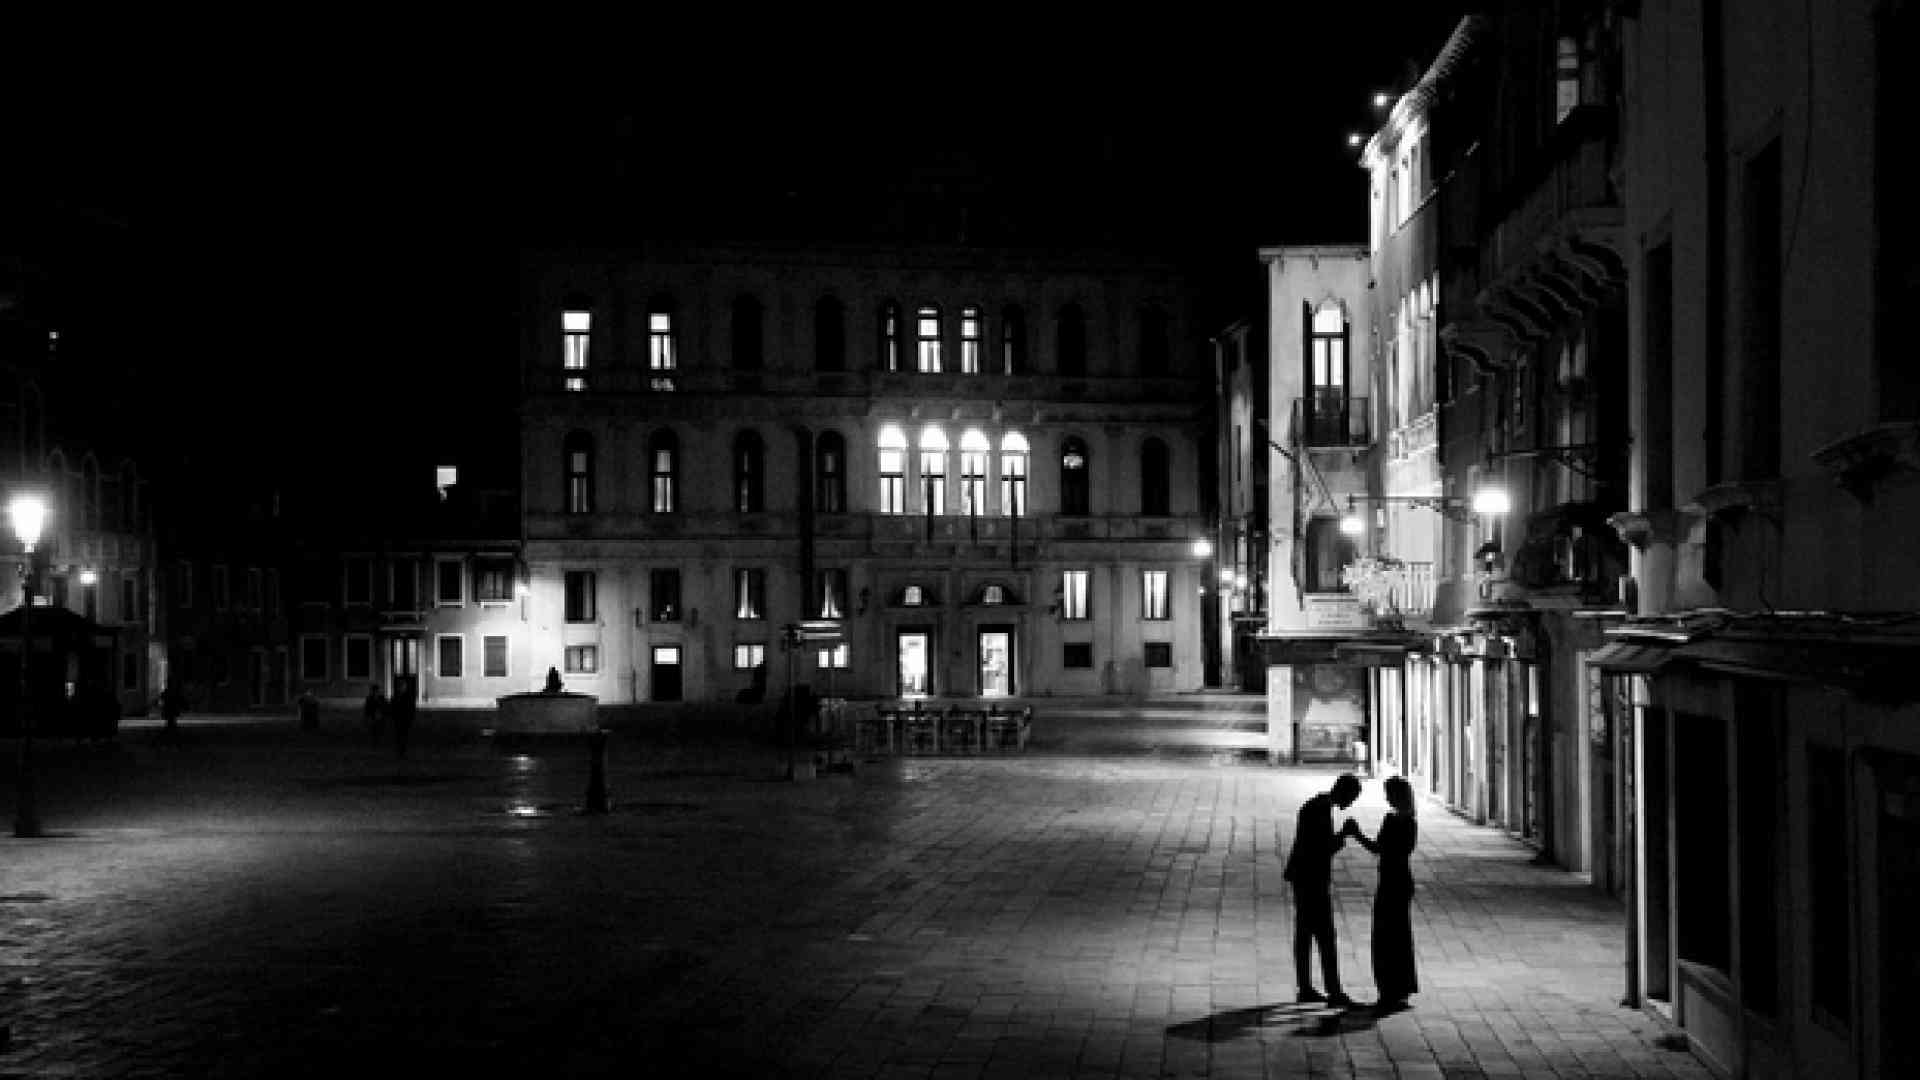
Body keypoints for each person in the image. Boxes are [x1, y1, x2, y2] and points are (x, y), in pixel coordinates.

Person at [1283, 772, 1363, 1007]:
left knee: (1305, 933)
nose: (1351, 803)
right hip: (1311, 879)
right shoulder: (1320, 810)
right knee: (1325, 935)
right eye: (1352, 798)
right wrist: (1344, 835)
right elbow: (1321, 849)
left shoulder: (1317, 805)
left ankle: (1306, 987)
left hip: (1303, 876)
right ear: (1344, 792)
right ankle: (1333, 991)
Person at [1345, 775, 1420, 1014]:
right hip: (1396, 880)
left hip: (1394, 883)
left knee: (1388, 936)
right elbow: (1387, 849)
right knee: (1395, 936)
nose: (1387, 798)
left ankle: (1391, 991)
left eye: (1389, 794)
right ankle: (1396, 989)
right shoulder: (1405, 821)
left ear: (1397, 796)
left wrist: (1357, 834)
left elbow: (1383, 849)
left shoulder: (1399, 822)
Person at [390, 675, 416, 758]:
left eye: (403, 686)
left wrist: (410, 718)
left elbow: (411, 709)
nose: (401, 688)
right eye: (400, 686)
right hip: (398, 720)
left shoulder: (408, 697)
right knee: (398, 736)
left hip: (405, 720)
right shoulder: (395, 696)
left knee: (404, 736)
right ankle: (399, 751)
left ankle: (402, 751)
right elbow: (392, 707)